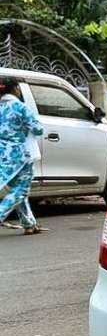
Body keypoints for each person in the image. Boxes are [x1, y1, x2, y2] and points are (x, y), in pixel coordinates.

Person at [0, 76, 45, 235]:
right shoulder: (20, 107)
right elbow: (38, 129)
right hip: (20, 154)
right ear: (15, 89)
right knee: (21, 191)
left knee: (17, 190)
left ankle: (29, 224)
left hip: (2, 154)